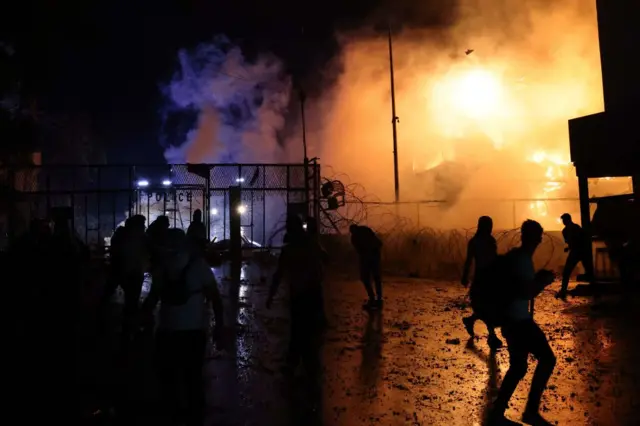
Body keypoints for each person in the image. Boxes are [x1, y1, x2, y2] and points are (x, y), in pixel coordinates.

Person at [140, 228, 224, 426]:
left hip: (167, 332)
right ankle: (195, 417)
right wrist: (219, 326)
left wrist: (143, 322)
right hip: (194, 333)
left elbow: (151, 300)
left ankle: (173, 416)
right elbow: (216, 298)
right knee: (193, 378)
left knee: (168, 380)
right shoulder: (198, 266)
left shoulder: (161, 268)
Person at [489, 220, 557, 426]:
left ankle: (498, 412)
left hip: (510, 320)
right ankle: (530, 411)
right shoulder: (523, 260)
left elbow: (518, 286)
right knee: (547, 359)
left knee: (518, 367)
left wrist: (535, 280)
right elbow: (526, 292)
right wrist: (543, 282)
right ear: (536, 238)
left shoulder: (515, 258)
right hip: (520, 321)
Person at [267, 214, 324, 379]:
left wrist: (271, 295)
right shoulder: (311, 244)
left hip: (299, 294)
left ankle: (296, 365)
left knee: (299, 329)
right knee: (309, 330)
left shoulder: (290, 248)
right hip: (311, 293)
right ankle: (309, 368)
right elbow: (323, 262)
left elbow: (279, 274)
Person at [461, 216, 503, 349]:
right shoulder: (477, 242)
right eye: (489, 226)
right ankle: (492, 336)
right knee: (488, 307)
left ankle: (470, 320)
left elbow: (494, 258)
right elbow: (469, 260)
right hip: (481, 278)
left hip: (490, 277)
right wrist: (465, 276)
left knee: (487, 307)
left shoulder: (487, 240)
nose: (490, 228)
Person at [557, 213, 594, 300]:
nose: (563, 222)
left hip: (576, 252)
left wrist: (570, 247)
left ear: (568, 220)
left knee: (567, 272)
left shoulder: (567, 230)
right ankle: (594, 288)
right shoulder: (574, 228)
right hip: (581, 251)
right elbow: (578, 240)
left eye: (564, 220)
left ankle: (563, 290)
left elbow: (573, 241)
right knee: (588, 271)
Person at [350, 224, 383, 310]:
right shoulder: (363, 231)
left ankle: (374, 298)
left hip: (370, 256)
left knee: (368, 278)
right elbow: (377, 243)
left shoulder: (355, 237)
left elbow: (360, 251)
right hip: (373, 255)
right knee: (375, 278)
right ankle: (377, 299)